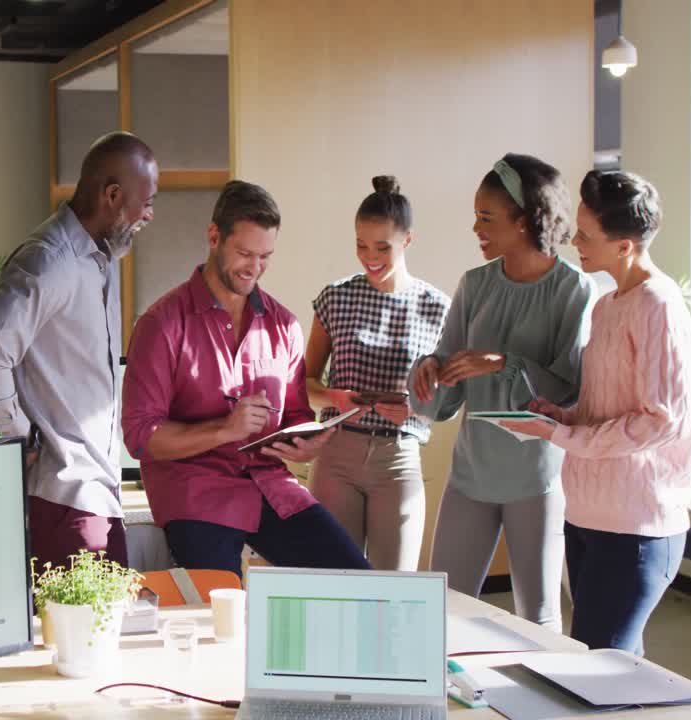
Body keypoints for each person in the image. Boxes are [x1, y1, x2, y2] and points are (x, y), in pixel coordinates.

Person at [122, 180, 370, 576]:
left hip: (271, 487)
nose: (254, 268)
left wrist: (306, 446)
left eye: (265, 256)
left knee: (358, 580)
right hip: (196, 494)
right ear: (214, 237)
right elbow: (140, 436)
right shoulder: (161, 324)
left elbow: (294, 416)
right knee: (223, 605)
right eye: (244, 253)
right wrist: (224, 429)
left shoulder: (283, 325)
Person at [502, 171, 691, 654]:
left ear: (625, 246)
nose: (574, 242)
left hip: (635, 526)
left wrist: (562, 436)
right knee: (603, 661)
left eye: (586, 236)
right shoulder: (607, 305)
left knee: (601, 662)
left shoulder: (659, 305)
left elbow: (659, 420)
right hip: (588, 514)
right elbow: (608, 406)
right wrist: (563, 417)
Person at [0, 131, 158, 570]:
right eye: (145, 201)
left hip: (97, 495)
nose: (149, 214)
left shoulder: (101, 257)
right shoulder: (49, 261)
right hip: (65, 501)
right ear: (112, 195)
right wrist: (24, 435)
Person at [410, 153, 595, 630]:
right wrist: (429, 370)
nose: (476, 228)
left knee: (538, 616)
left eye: (486, 217)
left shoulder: (574, 289)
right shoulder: (474, 285)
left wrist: (505, 362)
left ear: (524, 220)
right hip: (471, 473)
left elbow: (571, 391)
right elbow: (445, 382)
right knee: (442, 610)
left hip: (536, 478)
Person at [305, 176, 451, 571]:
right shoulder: (336, 298)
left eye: (383, 247)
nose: (370, 256)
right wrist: (334, 397)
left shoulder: (438, 308)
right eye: (361, 245)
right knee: (335, 581)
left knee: (395, 588)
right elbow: (304, 384)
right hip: (337, 454)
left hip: (398, 459)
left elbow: (449, 400)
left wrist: (415, 410)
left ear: (408, 240)